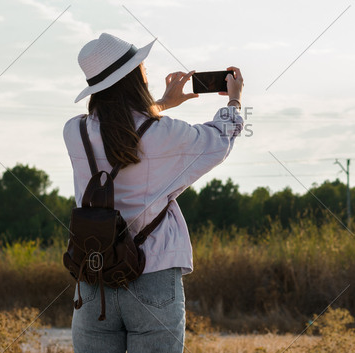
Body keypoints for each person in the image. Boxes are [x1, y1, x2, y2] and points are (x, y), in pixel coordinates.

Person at [63, 33, 244, 353]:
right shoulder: (165, 134)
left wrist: (159, 104)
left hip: (93, 280)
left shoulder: (74, 132)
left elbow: (118, 131)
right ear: (135, 79)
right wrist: (234, 100)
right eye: (142, 69)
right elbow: (219, 139)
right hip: (153, 276)